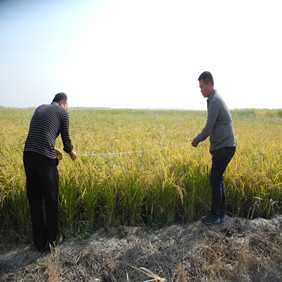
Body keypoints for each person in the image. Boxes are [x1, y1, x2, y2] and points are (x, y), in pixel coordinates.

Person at [23, 92, 77, 251]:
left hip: (28, 155)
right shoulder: (63, 113)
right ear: (62, 103)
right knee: (52, 200)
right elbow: (66, 140)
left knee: (35, 201)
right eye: (67, 106)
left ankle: (39, 243)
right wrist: (71, 153)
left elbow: (38, 134)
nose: (67, 109)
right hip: (44, 161)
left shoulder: (40, 108)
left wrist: (52, 148)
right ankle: (53, 240)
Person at [192, 71, 237, 224]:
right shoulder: (214, 99)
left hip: (224, 147)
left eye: (202, 87)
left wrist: (197, 140)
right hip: (226, 146)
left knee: (214, 179)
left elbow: (208, 127)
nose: (200, 90)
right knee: (218, 179)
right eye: (199, 87)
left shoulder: (215, 102)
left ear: (209, 85)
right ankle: (221, 214)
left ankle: (215, 215)